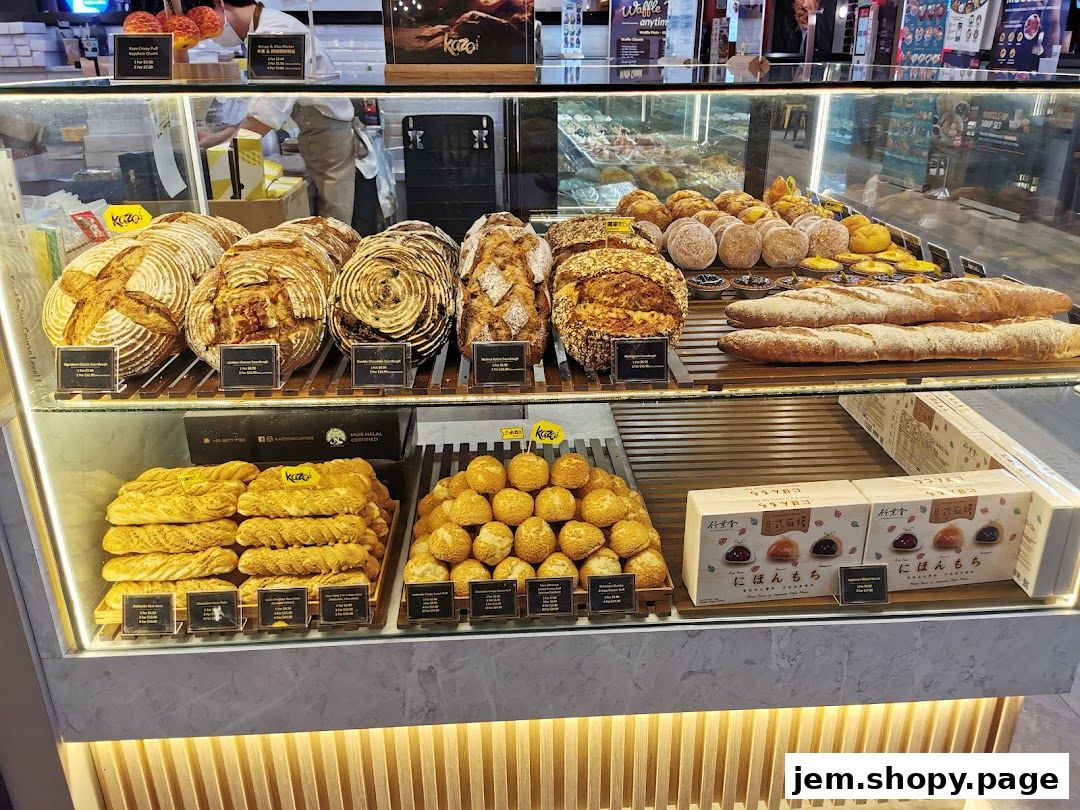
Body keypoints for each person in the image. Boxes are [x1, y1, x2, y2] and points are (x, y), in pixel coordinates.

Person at [199, 0, 380, 233]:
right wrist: (216, 139)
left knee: (337, 227)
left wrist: (220, 154)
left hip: (331, 140)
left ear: (220, 5)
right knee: (329, 222)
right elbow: (261, 109)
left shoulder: (276, 33)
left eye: (209, 15)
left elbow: (265, 115)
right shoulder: (266, 27)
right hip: (318, 136)